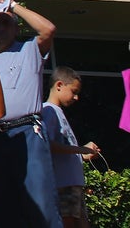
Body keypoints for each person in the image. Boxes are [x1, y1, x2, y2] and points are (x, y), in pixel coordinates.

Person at [0, 0, 62, 228]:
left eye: (6, 21)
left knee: (42, 205)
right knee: (6, 209)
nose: (0, 26)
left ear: (16, 28)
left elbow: (48, 29)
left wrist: (13, 6)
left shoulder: (29, 50)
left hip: (27, 132)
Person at [42, 66, 100, 228]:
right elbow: (47, 144)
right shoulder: (48, 111)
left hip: (71, 183)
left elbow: (63, 150)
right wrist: (81, 150)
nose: (76, 97)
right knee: (68, 222)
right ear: (59, 85)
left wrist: (82, 154)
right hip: (63, 184)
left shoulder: (57, 112)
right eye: (74, 91)